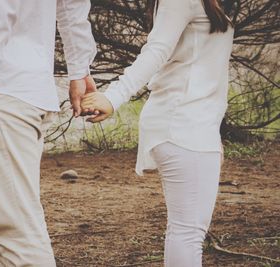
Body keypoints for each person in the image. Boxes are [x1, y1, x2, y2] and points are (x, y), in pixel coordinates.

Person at [81, 0, 234, 266]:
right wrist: (113, 98)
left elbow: (208, 73)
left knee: (186, 230)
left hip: (197, 125)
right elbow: (156, 51)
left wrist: (213, 135)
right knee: (188, 232)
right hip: (182, 123)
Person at [0, 0, 96, 266]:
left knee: (17, 232)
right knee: (18, 218)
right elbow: (72, 5)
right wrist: (78, 70)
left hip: (0, 86)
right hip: (25, 86)